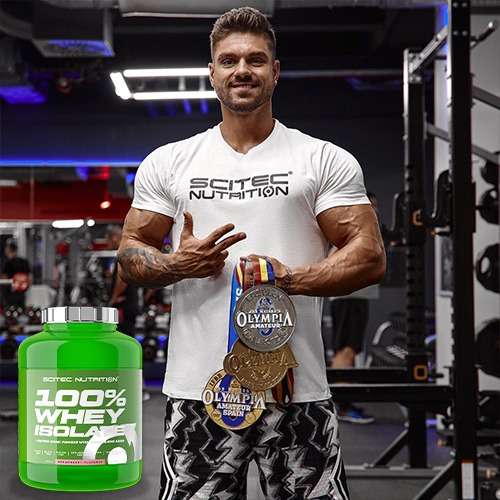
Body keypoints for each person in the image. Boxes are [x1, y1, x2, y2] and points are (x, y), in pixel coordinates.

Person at [118, 7, 385, 500]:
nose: (242, 70)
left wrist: (291, 280)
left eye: (255, 60)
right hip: (199, 391)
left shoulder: (321, 159)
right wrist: (177, 264)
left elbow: (369, 254)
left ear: (275, 72)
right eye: (229, 60)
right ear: (212, 73)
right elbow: (130, 253)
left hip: (297, 391)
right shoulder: (170, 162)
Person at [327, 192, 381, 425]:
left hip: (354, 297)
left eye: (376, 206)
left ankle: (341, 402)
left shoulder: (363, 231)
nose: (375, 211)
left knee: (348, 349)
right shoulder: (352, 229)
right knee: (346, 350)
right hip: (349, 298)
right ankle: (342, 405)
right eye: (371, 205)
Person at [106, 225, 140, 336]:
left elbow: (122, 280)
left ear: (114, 237)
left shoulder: (124, 253)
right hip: (128, 304)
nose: (107, 244)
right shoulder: (127, 252)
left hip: (124, 305)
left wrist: (113, 298)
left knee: (123, 335)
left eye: (107, 240)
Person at [1, 239, 31, 309]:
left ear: (8, 249)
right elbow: (29, 278)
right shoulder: (24, 262)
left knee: (10, 311)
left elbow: (4, 278)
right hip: (22, 293)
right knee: (21, 310)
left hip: (10, 293)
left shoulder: (7, 263)